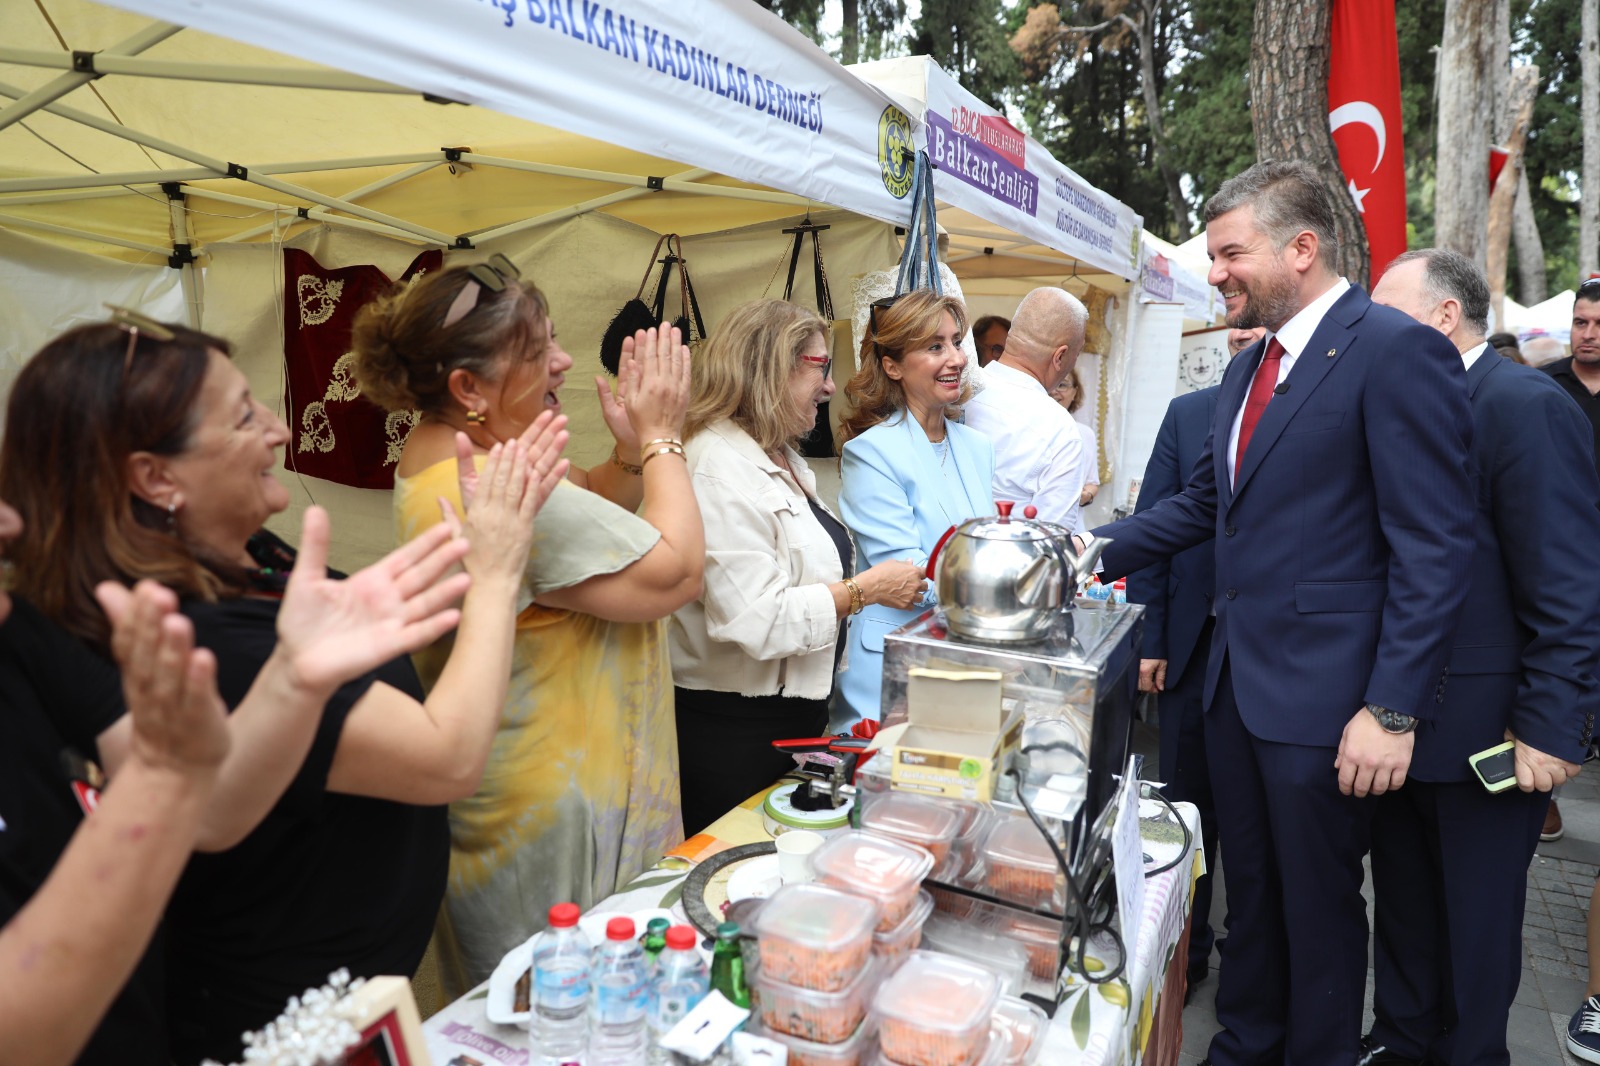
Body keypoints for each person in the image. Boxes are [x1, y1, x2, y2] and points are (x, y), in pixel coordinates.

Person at [0, 315, 567, 1065]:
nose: (278, 429)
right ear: (156, 478)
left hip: (341, 997)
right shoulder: (190, 635)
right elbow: (447, 758)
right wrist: (495, 573)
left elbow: (210, 800)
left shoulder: (244, 558)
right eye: (244, 416)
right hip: (277, 1020)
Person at [1085, 161, 1476, 1066]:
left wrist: (1391, 710)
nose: (1215, 272)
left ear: (1302, 248)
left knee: (1318, 906)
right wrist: (1080, 552)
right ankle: (1244, 1046)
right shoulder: (1250, 366)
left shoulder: (1395, 350)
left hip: (1329, 704)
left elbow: (1434, 548)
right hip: (1235, 690)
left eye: (1231, 253)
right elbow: (1204, 505)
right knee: (1251, 896)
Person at [351, 258, 704, 997]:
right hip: (552, 816)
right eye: (540, 350)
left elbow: (590, 504)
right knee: (567, 1014)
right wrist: (664, 436)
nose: (564, 362)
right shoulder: (475, 480)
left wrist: (627, 454)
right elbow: (675, 575)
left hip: (543, 789)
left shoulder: (459, 452)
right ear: (467, 388)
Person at [1361, 248, 1600, 1066]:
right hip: (1398, 722)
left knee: (1477, 924)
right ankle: (1400, 1043)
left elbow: (1567, 584)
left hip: (1490, 734)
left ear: (1444, 315)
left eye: (1386, 313)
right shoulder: (1409, 406)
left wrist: (1552, 727)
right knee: (1403, 907)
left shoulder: (1522, 405)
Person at [670, 299, 925, 834]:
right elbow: (757, 620)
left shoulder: (776, 455)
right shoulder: (715, 466)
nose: (830, 387)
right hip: (733, 732)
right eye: (820, 367)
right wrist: (865, 590)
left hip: (787, 718)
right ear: (770, 369)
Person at [832, 289, 995, 731]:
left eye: (956, 342)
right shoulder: (871, 453)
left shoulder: (977, 447)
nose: (957, 358)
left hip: (965, 659)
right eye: (935, 347)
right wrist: (1003, 590)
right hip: (893, 667)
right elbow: (905, 574)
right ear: (893, 366)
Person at [1125, 379, 1224, 1002]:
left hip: (1276, 653)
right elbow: (1154, 523)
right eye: (1238, 330)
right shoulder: (1189, 412)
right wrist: (1151, 637)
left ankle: (1254, 962)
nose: (1246, 335)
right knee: (1186, 807)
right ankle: (1184, 955)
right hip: (1191, 644)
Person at [964, 287, 1090, 532]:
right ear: (1060, 356)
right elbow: (1051, 540)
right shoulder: (1060, 429)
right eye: (1077, 354)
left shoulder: (958, 389)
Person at [1050, 366, 1101, 508]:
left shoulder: (1086, 433)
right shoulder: (1028, 429)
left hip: (1073, 517)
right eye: (1050, 384)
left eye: (1062, 385)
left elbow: (1092, 483)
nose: (1054, 391)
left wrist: (1086, 495)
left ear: (1075, 392)